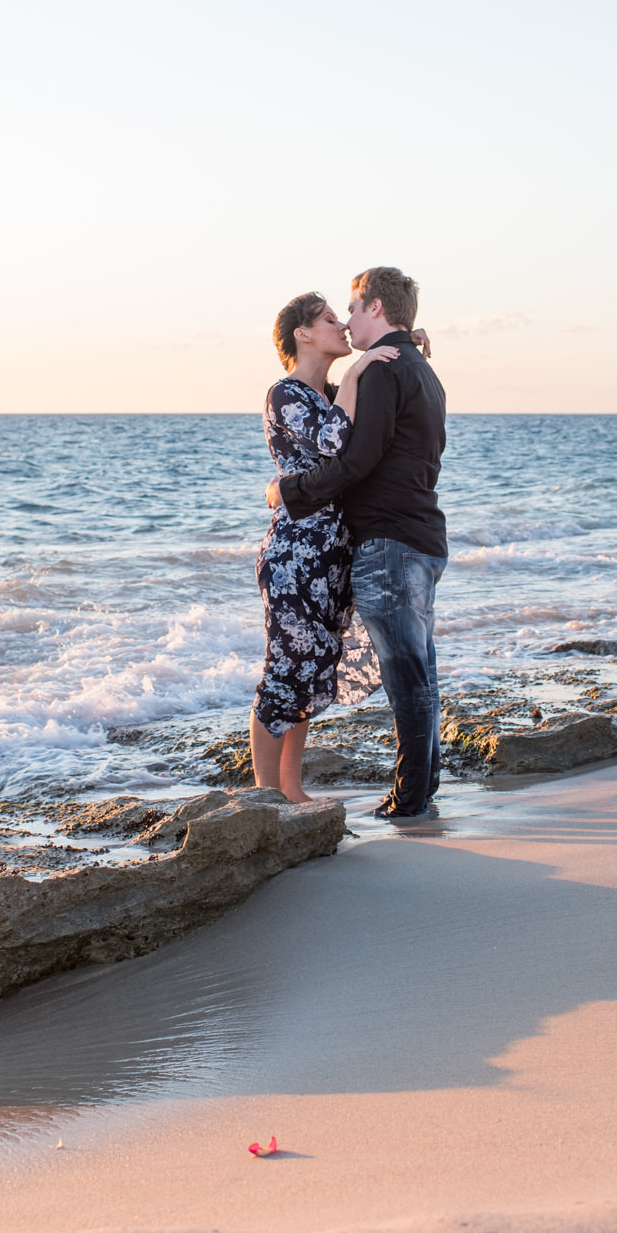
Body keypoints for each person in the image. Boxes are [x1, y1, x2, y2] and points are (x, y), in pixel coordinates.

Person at [268, 267, 448, 820]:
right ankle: (422, 786)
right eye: (334, 315)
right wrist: (401, 342)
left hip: (391, 542)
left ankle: (410, 797)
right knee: (419, 671)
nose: (346, 320)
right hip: (414, 537)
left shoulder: (384, 371)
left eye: (351, 308)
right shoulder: (417, 368)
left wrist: (286, 490)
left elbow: (354, 460)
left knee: (408, 676)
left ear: (375, 308)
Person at [249, 292, 407, 800]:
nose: (342, 326)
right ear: (303, 334)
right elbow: (336, 442)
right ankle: (263, 796)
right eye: (329, 320)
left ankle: (292, 793)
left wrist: (407, 341)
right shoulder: (286, 394)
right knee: (284, 672)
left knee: (311, 671)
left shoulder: (330, 392)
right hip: (295, 557)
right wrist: (360, 371)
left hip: (331, 557)